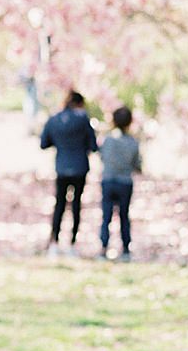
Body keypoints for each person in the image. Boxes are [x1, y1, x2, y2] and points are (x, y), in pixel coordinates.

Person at [40, 90, 99, 255]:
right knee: (76, 205)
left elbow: (44, 143)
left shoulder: (54, 119)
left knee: (59, 204)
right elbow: (93, 146)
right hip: (80, 167)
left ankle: (54, 242)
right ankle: (72, 243)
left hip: (61, 167)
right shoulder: (83, 120)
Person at [98, 105, 143, 261]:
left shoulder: (107, 140)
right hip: (125, 182)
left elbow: (102, 157)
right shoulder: (133, 143)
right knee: (124, 215)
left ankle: (103, 248)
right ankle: (125, 249)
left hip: (108, 180)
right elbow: (137, 165)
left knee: (106, 216)